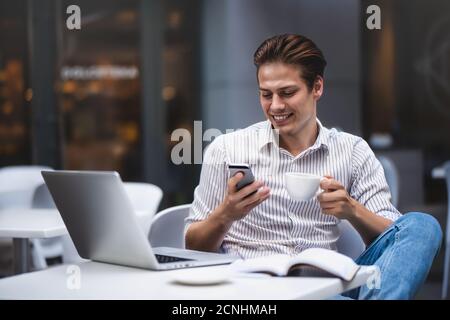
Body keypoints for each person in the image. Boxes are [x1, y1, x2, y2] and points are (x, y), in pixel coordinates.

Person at [184, 34, 442, 299]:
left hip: (329, 287)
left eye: (287, 93)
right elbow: (192, 245)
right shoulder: (227, 149)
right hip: (256, 291)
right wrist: (226, 214)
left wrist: (352, 210)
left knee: (423, 226)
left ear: (317, 87)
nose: (275, 106)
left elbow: (394, 240)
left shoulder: (352, 151)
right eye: (266, 94)